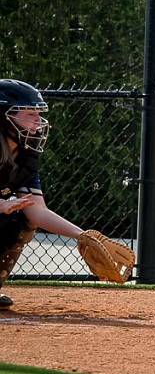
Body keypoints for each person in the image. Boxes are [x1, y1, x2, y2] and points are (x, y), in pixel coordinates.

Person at [0, 80, 122, 308]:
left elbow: (37, 212)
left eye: (38, 113)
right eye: (29, 114)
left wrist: (82, 236)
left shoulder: (25, 154)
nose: (38, 120)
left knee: (20, 220)